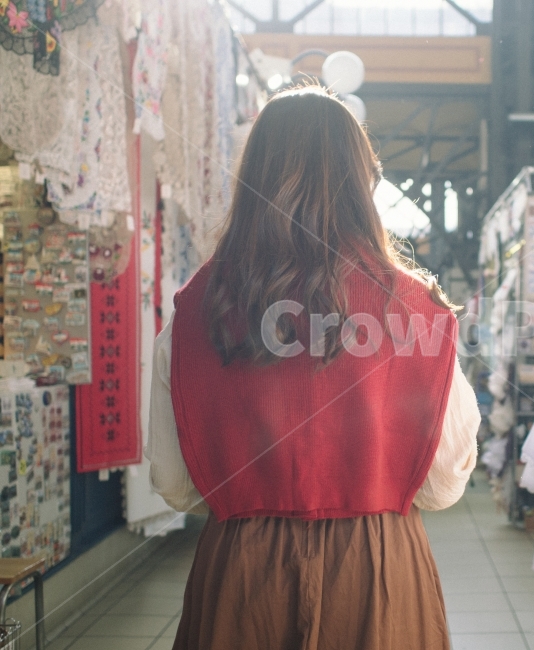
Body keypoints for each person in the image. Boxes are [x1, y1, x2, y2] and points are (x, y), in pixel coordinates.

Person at [146, 85, 480, 650]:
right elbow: (443, 485)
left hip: (243, 574)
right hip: (376, 568)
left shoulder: (195, 313)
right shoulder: (415, 313)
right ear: (362, 182)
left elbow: (175, 487)